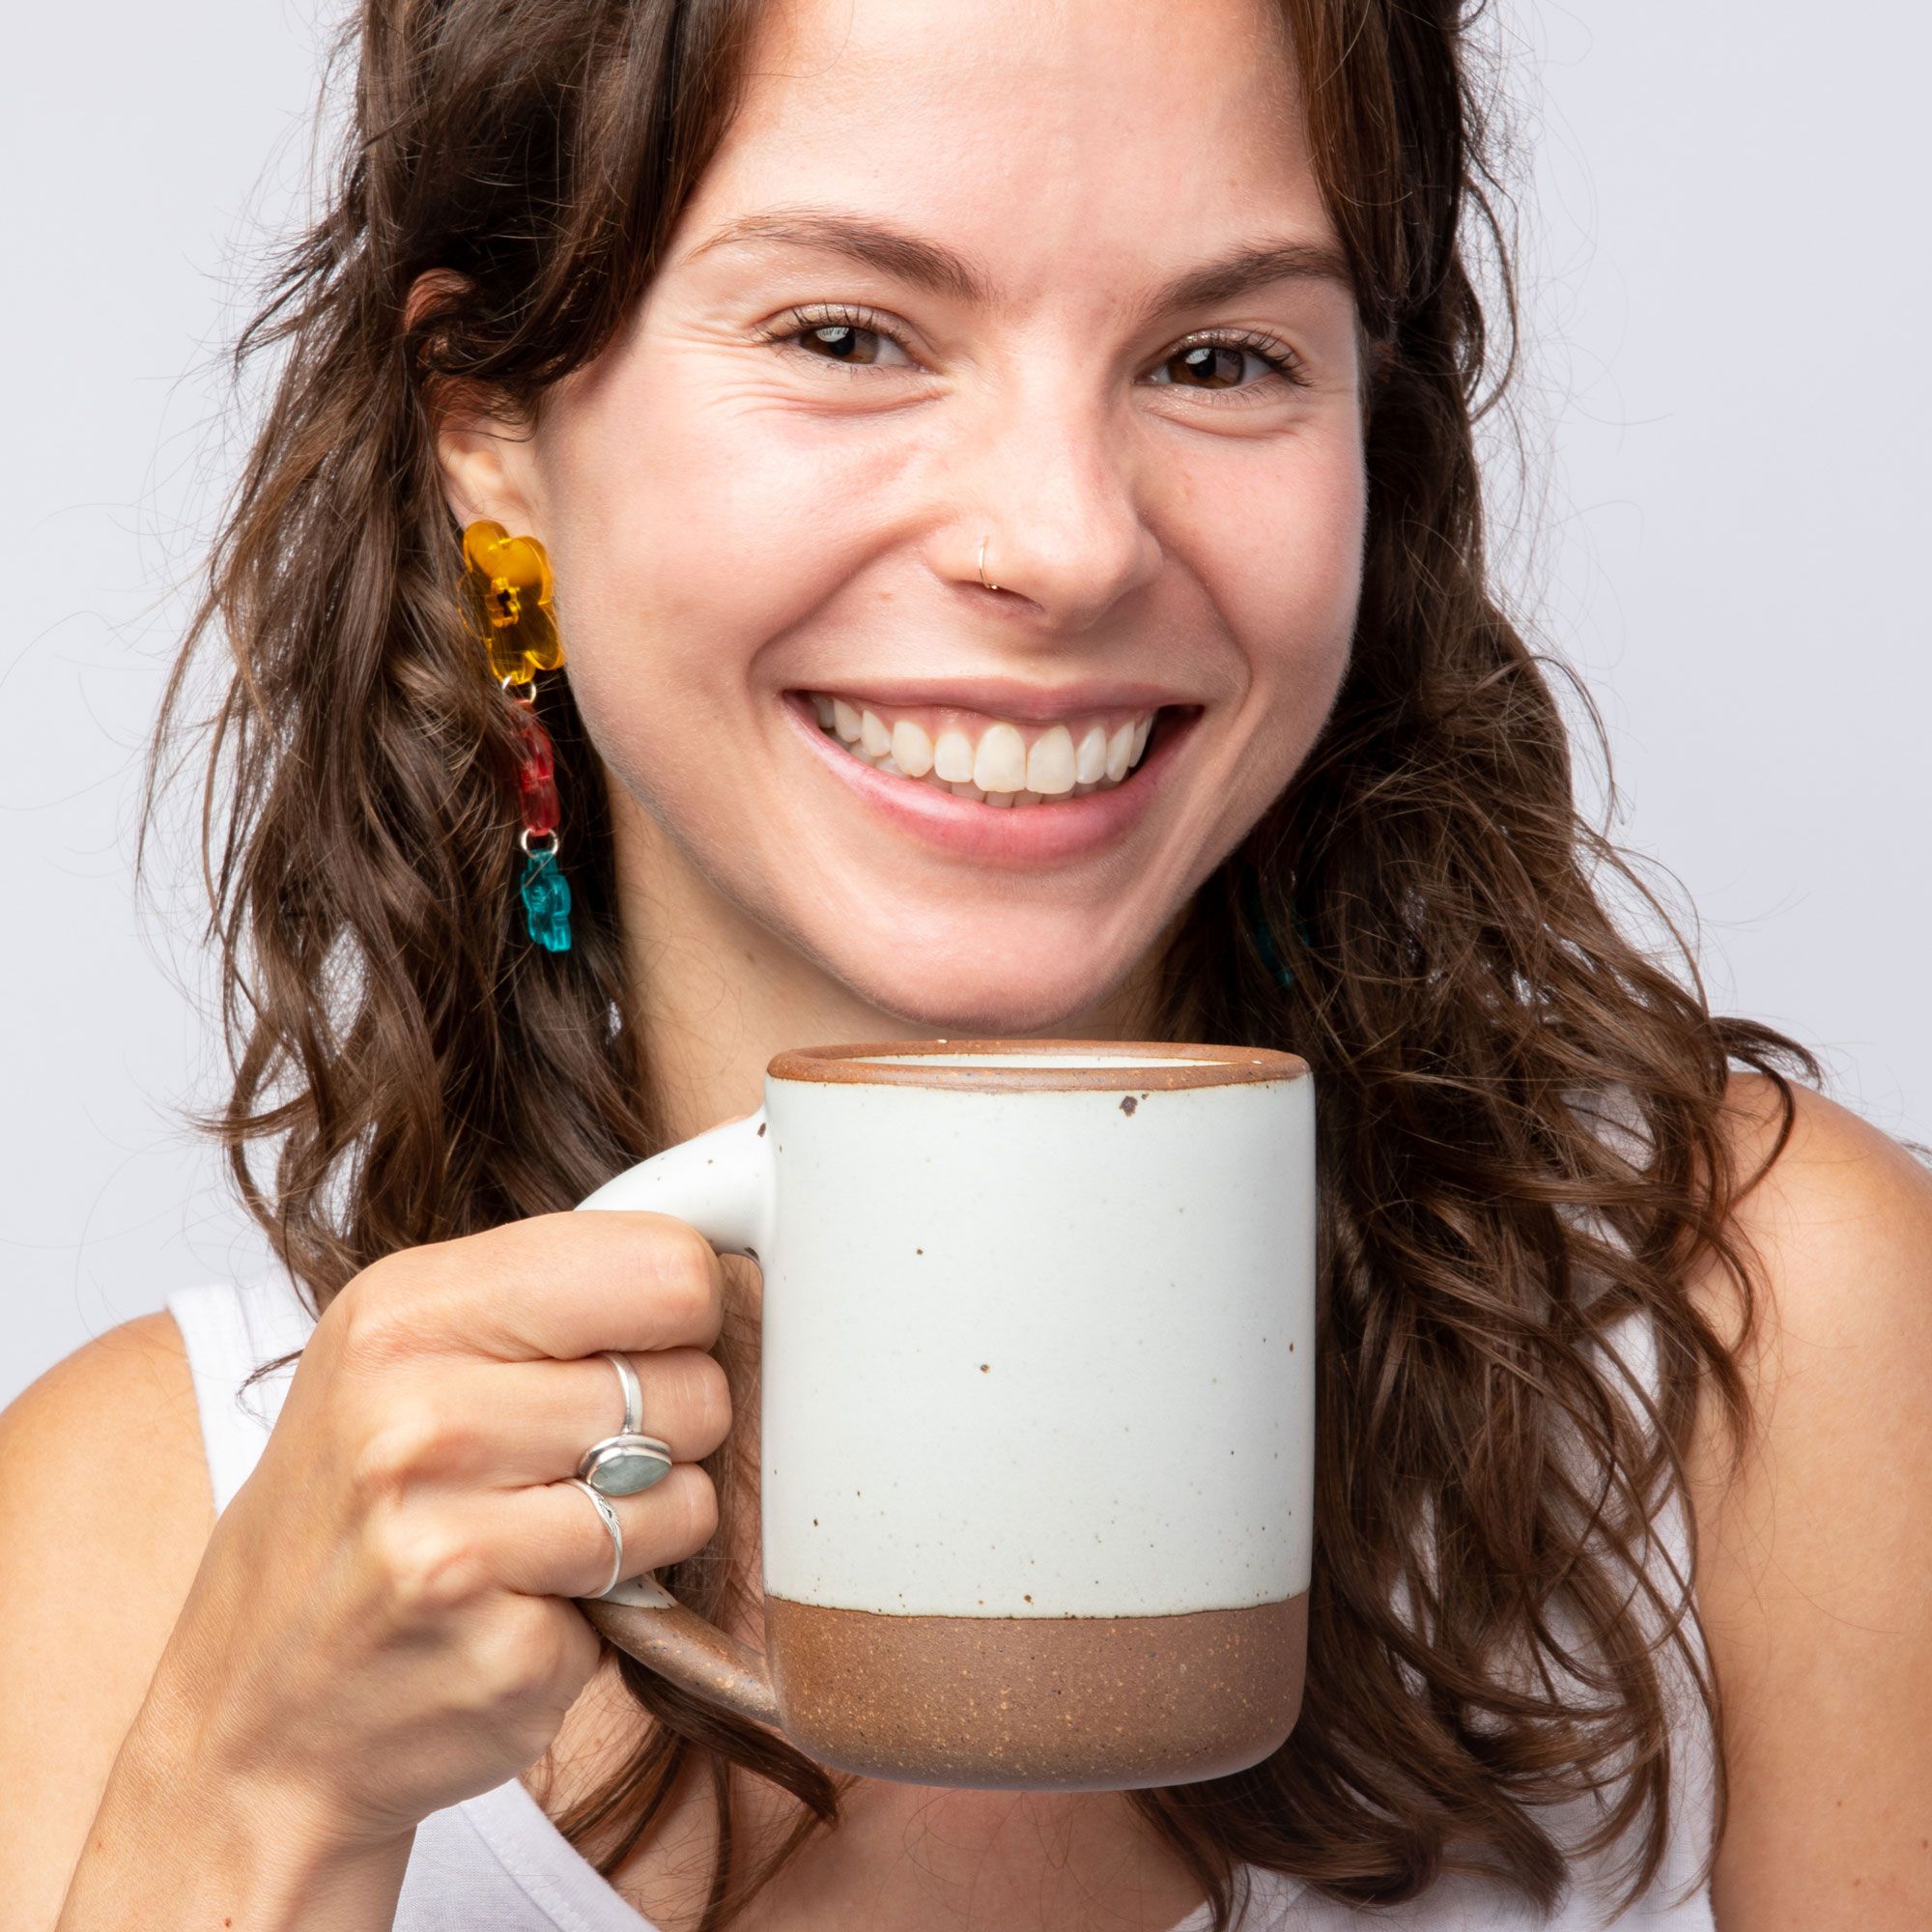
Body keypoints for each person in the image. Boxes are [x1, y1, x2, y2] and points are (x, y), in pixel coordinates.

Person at [3, 0, 1927, 1927]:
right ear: (487, 427)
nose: (1065, 541)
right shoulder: (135, 1528)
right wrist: (247, 1803)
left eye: (1220, 356)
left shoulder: (1771, 1345)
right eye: (846, 335)